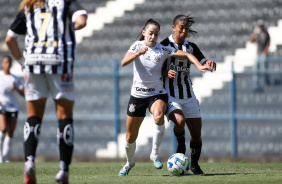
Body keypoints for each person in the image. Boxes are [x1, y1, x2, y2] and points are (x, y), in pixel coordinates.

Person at [5, 0, 87, 183]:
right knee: (64, 116)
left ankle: (29, 162)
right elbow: (81, 21)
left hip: (33, 62)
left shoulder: (29, 5)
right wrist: (65, 28)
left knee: (33, 116)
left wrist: (21, 63)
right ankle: (63, 170)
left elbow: (10, 39)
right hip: (59, 62)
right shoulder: (66, 2)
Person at [118, 18, 211, 176]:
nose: (153, 37)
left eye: (156, 34)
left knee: (160, 114)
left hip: (157, 94)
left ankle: (154, 154)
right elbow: (123, 62)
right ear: (144, 33)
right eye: (150, 33)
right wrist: (138, 54)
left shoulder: (163, 49)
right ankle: (129, 162)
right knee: (130, 136)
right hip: (138, 95)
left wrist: (201, 65)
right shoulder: (137, 46)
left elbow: (188, 55)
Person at [160, 14, 216, 175]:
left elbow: (203, 62)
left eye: (186, 28)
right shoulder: (164, 45)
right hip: (170, 94)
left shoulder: (191, 47)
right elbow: (154, 69)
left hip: (189, 94)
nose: (184, 31)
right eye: (181, 28)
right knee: (179, 121)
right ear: (173, 27)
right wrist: (165, 72)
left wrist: (209, 63)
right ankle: (180, 147)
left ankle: (194, 165)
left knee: (197, 134)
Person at [0, 55, 24, 163]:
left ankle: (5, 156)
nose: (7, 64)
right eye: (5, 62)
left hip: (13, 107)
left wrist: (16, 88)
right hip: (2, 106)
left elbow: (24, 93)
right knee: (3, 128)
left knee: (10, 133)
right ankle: (0, 156)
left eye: (9, 62)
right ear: (2, 64)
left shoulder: (15, 78)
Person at [250, 19, 270, 92]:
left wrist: (265, 51)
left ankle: (266, 81)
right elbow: (251, 41)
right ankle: (256, 83)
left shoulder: (265, 33)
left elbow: (268, 42)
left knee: (264, 68)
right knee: (256, 69)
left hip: (263, 53)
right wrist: (254, 35)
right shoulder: (257, 33)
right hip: (258, 53)